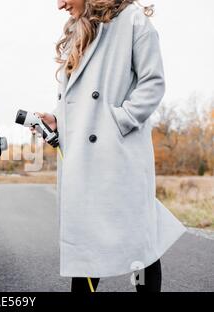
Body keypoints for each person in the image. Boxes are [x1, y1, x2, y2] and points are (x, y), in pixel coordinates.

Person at [31, 0, 187, 292]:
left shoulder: (133, 21)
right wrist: (58, 121)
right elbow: (77, 103)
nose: (60, 4)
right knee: (86, 248)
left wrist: (119, 121)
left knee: (140, 245)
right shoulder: (78, 31)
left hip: (117, 155)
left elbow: (153, 83)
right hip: (81, 159)